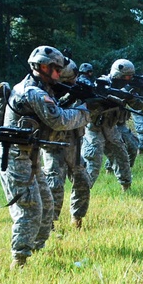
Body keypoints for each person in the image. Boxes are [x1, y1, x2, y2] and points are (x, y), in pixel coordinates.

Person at [0, 46, 90, 268]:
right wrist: (86, 112)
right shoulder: (33, 92)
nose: (60, 74)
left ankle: (36, 251)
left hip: (29, 154)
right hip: (14, 156)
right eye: (57, 69)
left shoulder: (44, 88)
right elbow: (59, 120)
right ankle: (19, 260)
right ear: (42, 68)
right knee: (30, 208)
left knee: (47, 205)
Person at [41, 57, 93, 230]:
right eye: (68, 81)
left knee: (83, 181)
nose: (73, 83)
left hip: (73, 142)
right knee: (54, 184)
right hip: (53, 144)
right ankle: (49, 225)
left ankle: (77, 218)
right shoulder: (44, 93)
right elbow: (56, 116)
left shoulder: (78, 88)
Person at [82, 59, 136, 190]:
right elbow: (89, 102)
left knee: (122, 156)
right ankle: (83, 191)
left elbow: (138, 105)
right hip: (94, 129)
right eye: (125, 77)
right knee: (93, 161)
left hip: (111, 128)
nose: (128, 79)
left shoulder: (123, 89)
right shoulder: (101, 84)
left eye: (130, 77)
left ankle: (126, 187)